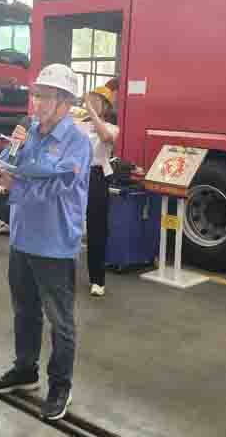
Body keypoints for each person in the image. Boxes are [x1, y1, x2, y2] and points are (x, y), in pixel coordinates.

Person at [0, 63, 92, 422]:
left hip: (55, 244)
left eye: (46, 97)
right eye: (37, 95)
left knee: (60, 320)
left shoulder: (77, 142)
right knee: (25, 310)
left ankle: (60, 386)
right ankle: (25, 369)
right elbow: (7, 160)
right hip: (22, 238)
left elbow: (60, 185)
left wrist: (16, 187)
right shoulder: (28, 130)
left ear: (65, 103)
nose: (38, 103)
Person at [78, 86, 119, 297]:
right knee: (70, 223)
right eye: (90, 100)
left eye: (97, 101)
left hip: (98, 176)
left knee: (96, 229)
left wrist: (91, 113)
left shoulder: (112, 127)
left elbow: (105, 137)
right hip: (77, 175)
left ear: (106, 106)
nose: (92, 104)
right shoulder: (79, 125)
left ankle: (97, 279)